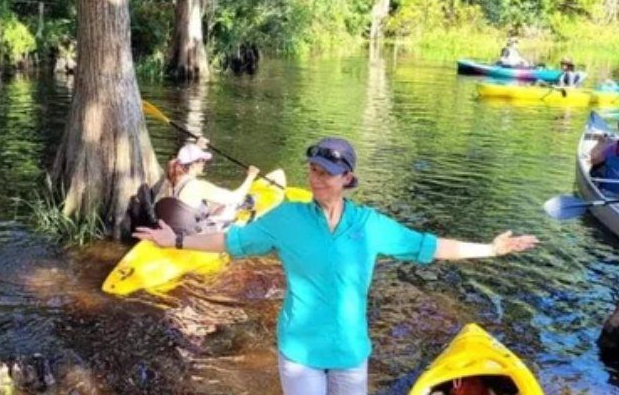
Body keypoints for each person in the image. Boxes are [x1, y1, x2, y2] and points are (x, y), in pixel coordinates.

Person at [134, 137, 538, 395]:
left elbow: (428, 247)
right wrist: (178, 240)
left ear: (347, 178)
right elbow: (231, 240)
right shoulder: (286, 218)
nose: (317, 179)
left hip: (350, 352)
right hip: (299, 349)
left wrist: (490, 249)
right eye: (312, 170)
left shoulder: (369, 225)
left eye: (327, 173)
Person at [160, 138, 261, 233]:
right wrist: (250, 177)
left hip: (178, 228)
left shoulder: (173, 179)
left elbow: (185, 159)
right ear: (193, 164)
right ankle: (244, 210)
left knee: (214, 204)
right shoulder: (198, 186)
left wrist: (197, 147)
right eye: (202, 160)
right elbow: (235, 197)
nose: (204, 163)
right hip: (192, 235)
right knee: (232, 204)